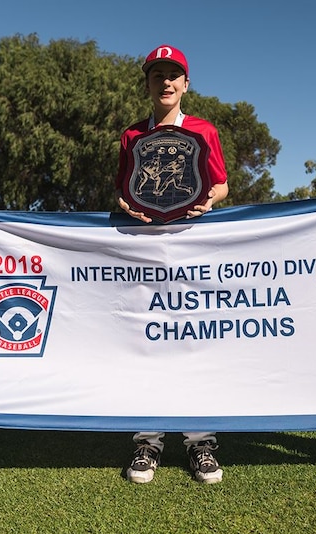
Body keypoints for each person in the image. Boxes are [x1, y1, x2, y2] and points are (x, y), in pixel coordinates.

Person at [114, 44, 229, 484]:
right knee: (148, 340)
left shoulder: (203, 129)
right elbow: (122, 189)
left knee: (191, 338)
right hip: (144, 251)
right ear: (147, 84)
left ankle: (201, 441)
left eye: (173, 75)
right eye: (157, 75)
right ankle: (148, 439)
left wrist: (207, 201)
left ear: (185, 84)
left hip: (191, 250)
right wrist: (123, 203)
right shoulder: (131, 135)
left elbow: (220, 185)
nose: (165, 82)